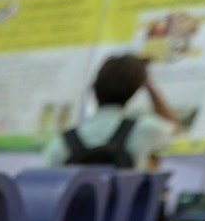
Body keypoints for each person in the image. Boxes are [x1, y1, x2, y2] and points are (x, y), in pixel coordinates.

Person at [43, 54, 181, 169]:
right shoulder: (145, 129)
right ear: (135, 90)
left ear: (94, 87)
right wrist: (149, 85)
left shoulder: (61, 142)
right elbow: (175, 127)